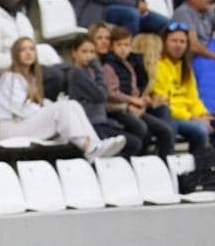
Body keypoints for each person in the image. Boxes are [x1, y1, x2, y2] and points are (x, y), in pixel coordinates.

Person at [0, 37, 125, 157]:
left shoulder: (32, 78)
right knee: (61, 109)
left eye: (32, 49)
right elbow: (22, 110)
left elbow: (36, 104)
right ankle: (89, 148)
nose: (28, 53)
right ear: (16, 54)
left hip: (24, 123)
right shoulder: (9, 77)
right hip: (11, 128)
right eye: (23, 50)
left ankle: (95, 144)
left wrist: (47, 105)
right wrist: (49, 108)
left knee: (72, 104)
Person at [153, 22, 215, 157]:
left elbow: (193, 99)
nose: (178, 45)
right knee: (200, 130)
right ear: (164, 42)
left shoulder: (186, 68)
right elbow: (163, 103)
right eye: (174, 41)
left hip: (190, 117)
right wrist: (192, 118)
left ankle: (207, 161)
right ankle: (198, 168)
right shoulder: (158, 66)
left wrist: (204, 115)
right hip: (171, 117)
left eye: (182, 42)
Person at [101, 26, 175, 156]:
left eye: (127, 45)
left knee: (166, 131)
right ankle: (135, 160)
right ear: (112, 46)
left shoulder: (129, 65)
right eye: (119, 45)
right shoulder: (108, 66)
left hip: (133, 108)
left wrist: (142, 101)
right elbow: (112, 93)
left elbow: (134, 89)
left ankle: (163, 164)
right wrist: (132, 100)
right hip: (118, 111)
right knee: (141, 128)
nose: (123, 49)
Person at [69, 34, 144, 157]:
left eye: (92, 52)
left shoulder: (88, 72)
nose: (89, 56)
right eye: (84, 52)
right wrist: (98, 68)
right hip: (92, 125)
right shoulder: (77, 74)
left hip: (102, 122)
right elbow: (101, 95)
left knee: (134, 141)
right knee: (133, 144)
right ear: (74, 53)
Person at [87, 23, 149, 156]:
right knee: (139, 131)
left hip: (116, 109)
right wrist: (127, 106)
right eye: (100, 38)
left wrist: (137, 102)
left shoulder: (116, 62)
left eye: (107, 38)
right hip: (99, 116)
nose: (105, 42)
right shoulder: (92, 66)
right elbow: (104, 98)